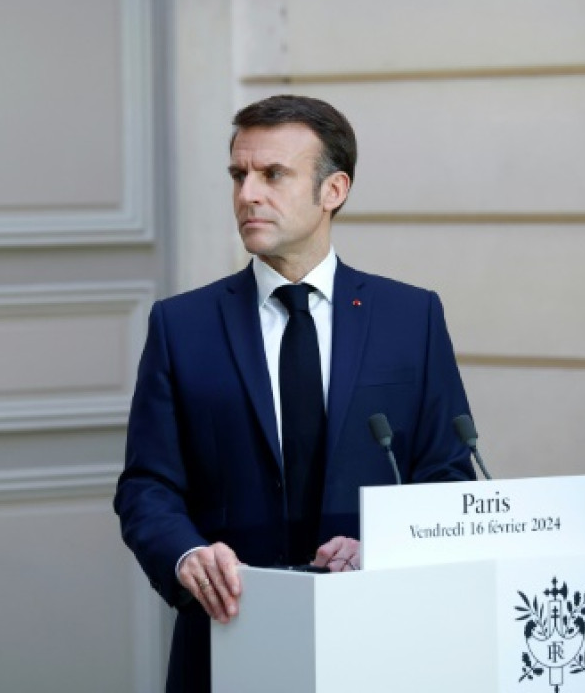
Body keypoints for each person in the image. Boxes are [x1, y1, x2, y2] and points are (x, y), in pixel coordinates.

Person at [114, 95, 475, 692]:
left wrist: (383, 547)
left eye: (273, 174)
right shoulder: (181, 326)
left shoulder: (411, 317)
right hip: (229, 640)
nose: (247, 193)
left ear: (333, 189)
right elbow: (146, 486)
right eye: (239, 174)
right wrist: (186, 556)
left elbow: (447, 475)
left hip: (384, 639)